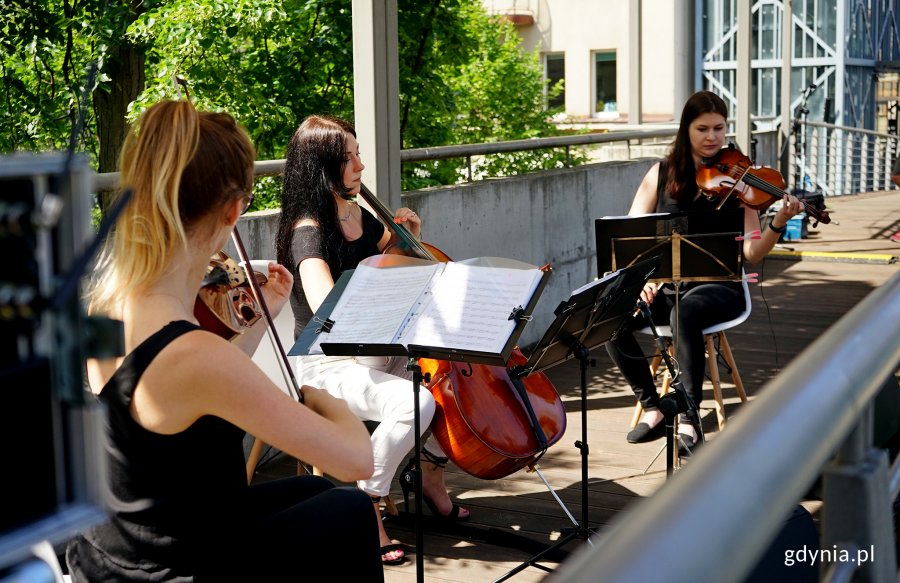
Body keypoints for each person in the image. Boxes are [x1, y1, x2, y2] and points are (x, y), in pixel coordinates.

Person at [66, 100, 383, 581]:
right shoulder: (195, 353)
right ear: (234, 209)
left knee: (316, 496)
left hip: (121, 539)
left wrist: (262, 319)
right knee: (353, 510)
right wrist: (323, 399)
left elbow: (186, 394)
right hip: (169, 566)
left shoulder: (106, 304)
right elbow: (356, 456)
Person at [276, 114, 470, 566]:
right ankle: (368, 502)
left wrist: (409, 241)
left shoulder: (356, 213)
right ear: (321, 167)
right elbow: (329, 307)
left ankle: (430, 478)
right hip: (325, 363)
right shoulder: (308, 232)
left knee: (450, 385)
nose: (361, 165)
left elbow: (393, 259)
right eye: (349, 158)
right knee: (416, 405)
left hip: (372, 350)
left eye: (358, 153)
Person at [607, 90, 803, 452]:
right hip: (667, 287)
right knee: (608, 316)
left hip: (720, 287)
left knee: (688, 312)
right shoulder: (661, 174)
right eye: (703, 128)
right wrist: (642, 282)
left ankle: (689, 417)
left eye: (719, 128)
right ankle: (654, 406)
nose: (713, 137)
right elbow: (630, 236)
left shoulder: (741, 180)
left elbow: (752, 252)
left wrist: (777, 221)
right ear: (686, 130)